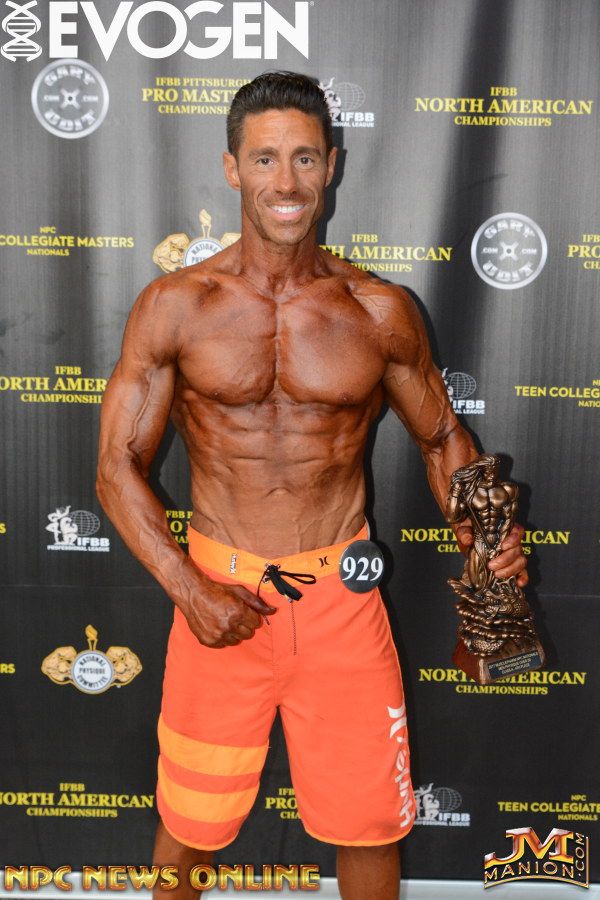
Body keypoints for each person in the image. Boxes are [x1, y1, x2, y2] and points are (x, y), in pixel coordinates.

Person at [96, 72, 527, 900]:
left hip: (341, 608)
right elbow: (116, 467)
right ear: (232, 168)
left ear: (331, 165)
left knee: (370, 829)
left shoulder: (377, 310)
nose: (285, 181)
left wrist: (485, 549)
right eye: (265, 159)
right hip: (218, 594)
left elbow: (442, 438)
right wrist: (188, 588)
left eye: (303, 157)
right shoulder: (177, 306)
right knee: (188, 828)